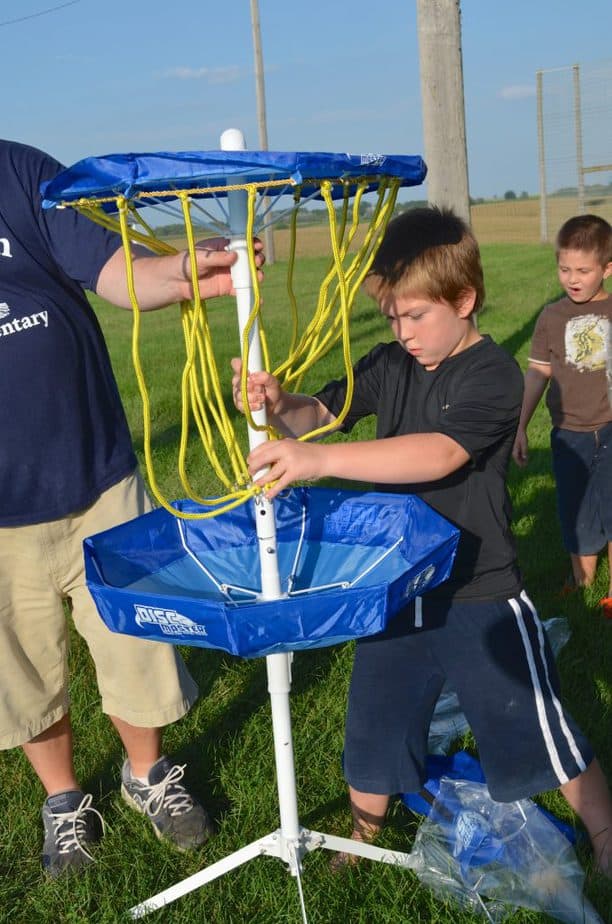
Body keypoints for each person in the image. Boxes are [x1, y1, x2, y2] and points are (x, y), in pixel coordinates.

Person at [231, 206, 612, 877]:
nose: (401, 333)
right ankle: (364, 835)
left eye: (415, 316)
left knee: (533, 720)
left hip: (479, 590)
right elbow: (318, 414)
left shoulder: (492, 375)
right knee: (375, 724)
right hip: (397, 587)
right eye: (391, 317)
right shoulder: (389, 363)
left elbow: (437, 454)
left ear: (463, 300)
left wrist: (321, 464)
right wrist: (274, 401)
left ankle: (605, 831)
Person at [0, 138, 263, 877]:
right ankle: (63, 802)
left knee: (137, 643)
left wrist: (186, 272)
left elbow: (115, 274)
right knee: (21, 670)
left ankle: (147, 775)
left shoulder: (19, 171)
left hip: (97, 479)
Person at [512, 214, 612, 618]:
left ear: (607, 268)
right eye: (565, 268)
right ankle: (583, 583)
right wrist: (520, 426)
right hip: (567, 431)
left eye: (583, 271)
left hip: (610, 427)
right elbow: (538, 373)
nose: (572, 278)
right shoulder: (551, 318)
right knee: (574, 509)